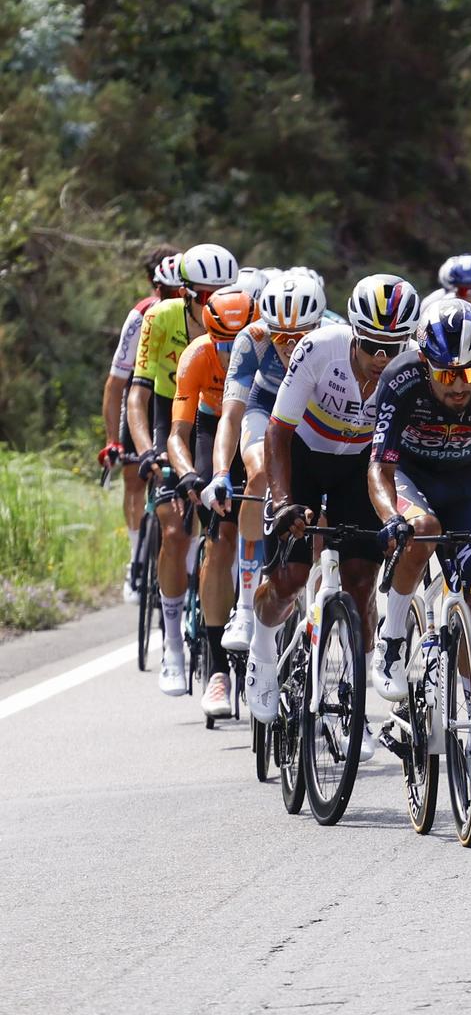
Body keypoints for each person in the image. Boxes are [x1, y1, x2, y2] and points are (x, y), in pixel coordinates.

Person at [368, 298, 471, 806]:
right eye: (446, 374)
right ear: (425, 363)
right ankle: (393, 638)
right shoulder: (400, 379)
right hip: (410, 478)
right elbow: (378, 467)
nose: (459, 385)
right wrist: (391, 517)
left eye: (468, 372)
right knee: (425, 530)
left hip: (466, 485)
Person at [249, 276, 420, 726]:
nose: (381, 359)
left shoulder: (411, 363)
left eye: (392, 346)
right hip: (302, 456)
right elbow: (277, 431)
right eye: (371, 345)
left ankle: (354, 702)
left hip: (361, 466)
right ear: (353, 333)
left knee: (361, 583)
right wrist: (284, 501)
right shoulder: (318, 348)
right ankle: (262, 646)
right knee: (289, 578)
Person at [128, 242, 238, 694]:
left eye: (221, 294)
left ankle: (218, 651)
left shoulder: (239, 316)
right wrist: (146, 451)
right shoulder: (161, 318)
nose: (215, 304)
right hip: (170, 419)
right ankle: (172, 641)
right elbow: (139, 393)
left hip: (214, 421)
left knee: (222, 533)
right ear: (185, 294)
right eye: (204, 296)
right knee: (174, 530)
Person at [211, 272, 322, 658]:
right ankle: (244, 607)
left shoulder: (336, 335)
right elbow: (231, 414)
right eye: (282, 337)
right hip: (266, 405)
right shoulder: (253, 338)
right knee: (258, 474)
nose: (290, 346)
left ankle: (321, 599)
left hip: (314, 412)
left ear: (320, 324)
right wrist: (222, 473)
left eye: (300, 336)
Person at [168, 285, 256, 715]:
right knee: (219, 541)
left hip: (257, 423)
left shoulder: (266, 349)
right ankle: (218, 672)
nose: (230, 352)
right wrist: (187, 475)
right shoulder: (196, 357)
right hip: (212, 426)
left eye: (239, 342)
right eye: (223, 344)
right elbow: (178, 435)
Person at [102, 247, 181, 602]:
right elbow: (117, 382)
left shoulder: (201, 314)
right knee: (133, 477)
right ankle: (136, 560)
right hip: (146, 395)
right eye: (165, 292)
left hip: (183, 400)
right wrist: (111, 441)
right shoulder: (141, 315)